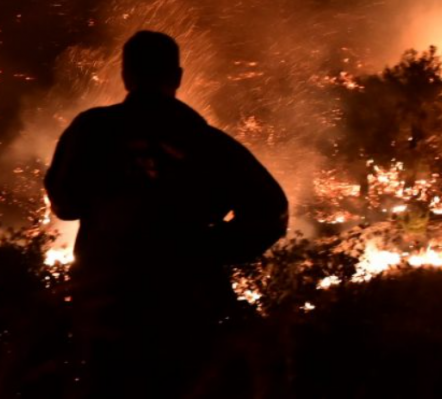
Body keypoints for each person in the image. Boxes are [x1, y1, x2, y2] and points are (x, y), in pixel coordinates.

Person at [44, 30, 288, 398]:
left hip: (107, 308)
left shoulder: (93, 130)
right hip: (185, 308)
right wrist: (210, 249)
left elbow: (64, 204)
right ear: (177, 78)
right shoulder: (209, 144)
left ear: (125, 75)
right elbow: (271, 211)